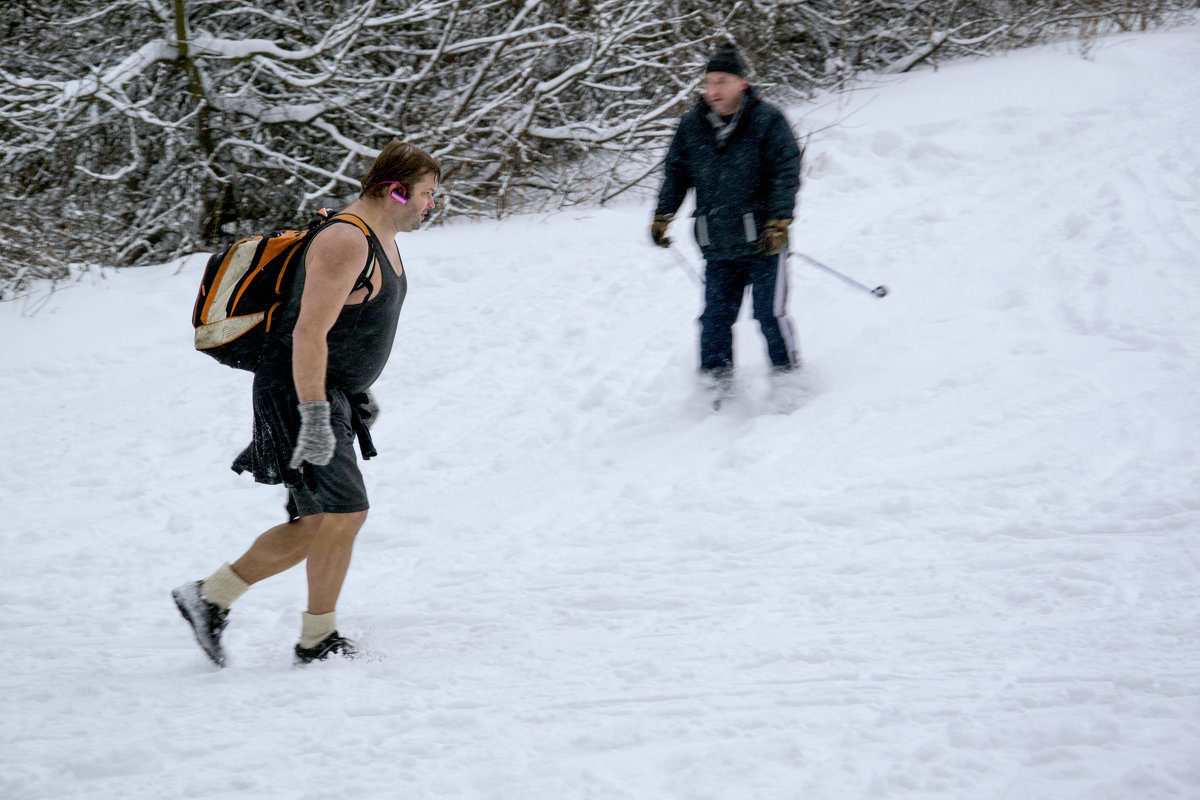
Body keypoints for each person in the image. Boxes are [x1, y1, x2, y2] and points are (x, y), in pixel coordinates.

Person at [172, 140, 441, 667]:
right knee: (347, 512)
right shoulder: (346, 240)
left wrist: (356, 392)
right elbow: (309, 334)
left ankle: (209, 598)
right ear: (396, 191)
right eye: (428, 194)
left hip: (325, 392)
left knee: (317, 523)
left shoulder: (381, 234)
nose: (432, 204)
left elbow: (350, 328)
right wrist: (317, 415)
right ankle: (317, 641)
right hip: (300, 391)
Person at [651, 41, 803, 404]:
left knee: (769, 315)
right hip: (718, 243)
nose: (713, 90)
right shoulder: (692, 126)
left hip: (765, 240)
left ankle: (789, 385)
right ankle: (715, 390)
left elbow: (787, 169)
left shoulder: (767, 119)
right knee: (714, 321)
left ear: (742, 83)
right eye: (707, 82)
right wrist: (663, 214)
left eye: (721, 80)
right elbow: (676, 173)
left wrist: (779, 220)